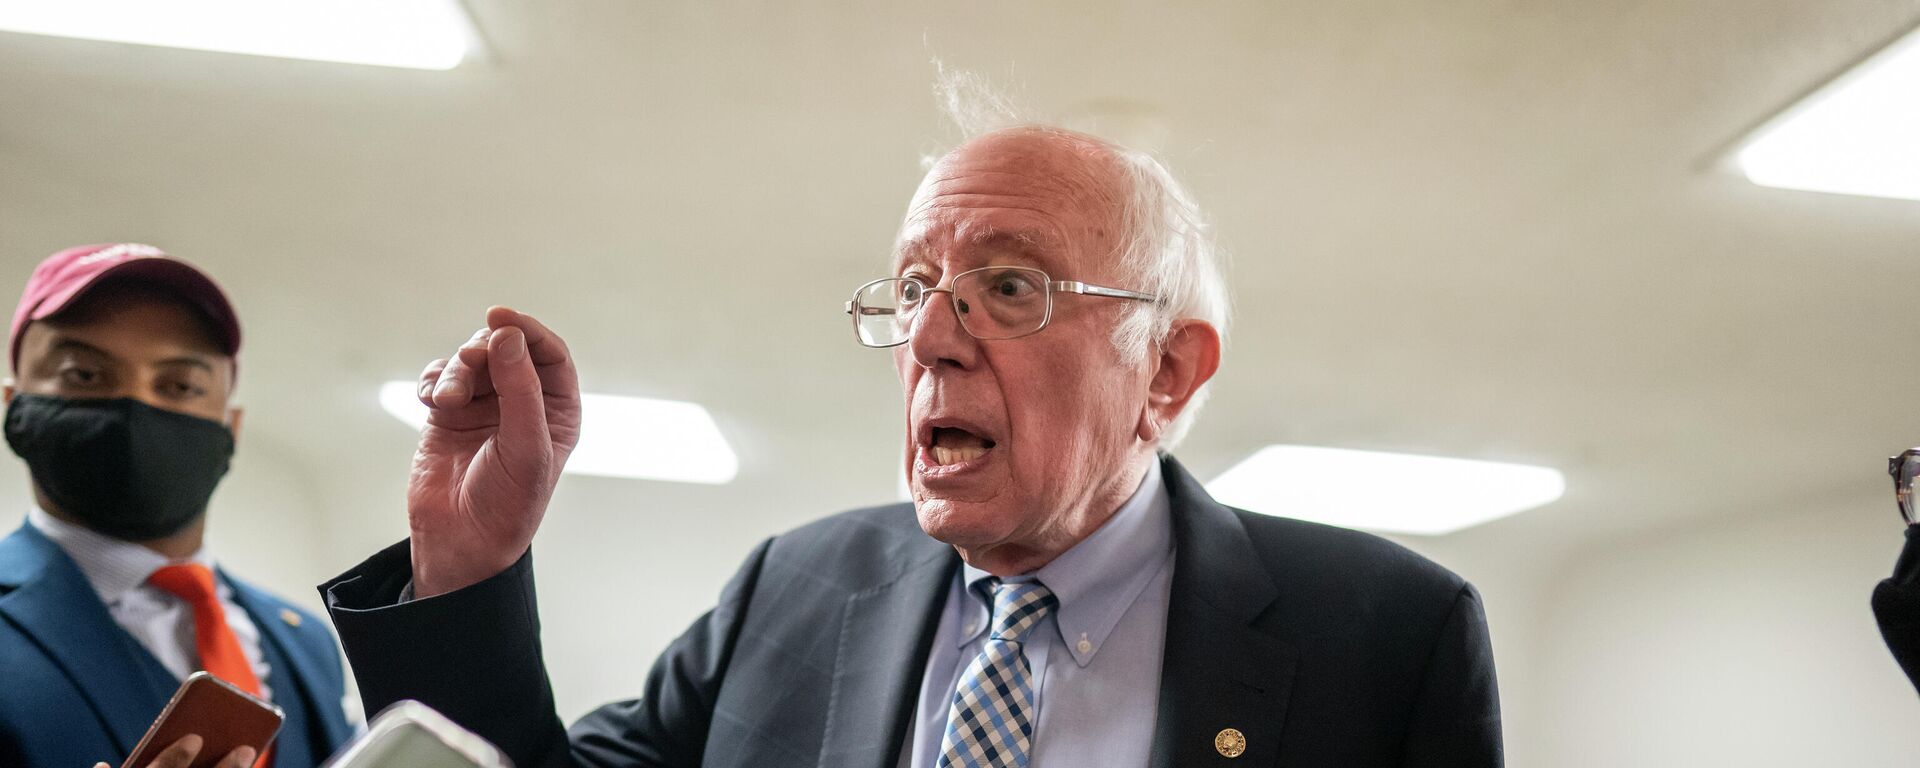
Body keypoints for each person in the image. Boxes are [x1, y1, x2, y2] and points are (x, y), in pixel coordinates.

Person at [321, 126, 1503, 767]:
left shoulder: (1387, 637)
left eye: (1006, 285)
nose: (932, 335)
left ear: (1168, 370)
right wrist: (467, 568)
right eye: (916, 287)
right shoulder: (795, 589)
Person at [0, 244, 355, 768]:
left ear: (229, 429)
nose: (136, 405)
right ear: (15, 408)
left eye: (180, 385)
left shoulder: (306, 640)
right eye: (84, 375)